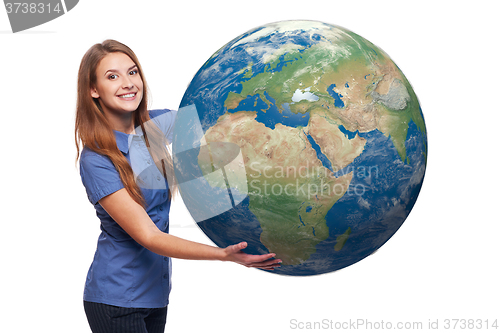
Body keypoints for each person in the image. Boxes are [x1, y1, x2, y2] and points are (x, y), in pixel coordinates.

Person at [75, 39, 282, 333]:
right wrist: (224, 255)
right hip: (117, 301)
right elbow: (148, 235)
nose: (127, 83)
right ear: (93, 90)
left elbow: (218, 125)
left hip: (156, 296)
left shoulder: (156, 125)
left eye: (132, 72)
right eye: (112, 76)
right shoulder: (96, 159)